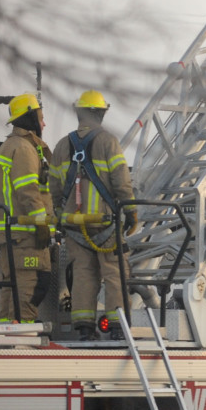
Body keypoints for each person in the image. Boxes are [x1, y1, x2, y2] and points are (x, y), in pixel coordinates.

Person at [50, 90, 138, 341]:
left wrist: (59, 214)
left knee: (83, 274)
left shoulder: (61, 145)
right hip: (104, 224)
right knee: (114, 272)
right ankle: (117, 327)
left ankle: (85, 328)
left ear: (78, 113)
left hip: (74, 226)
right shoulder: (108, 141)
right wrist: (131, 212)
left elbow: (53, 187)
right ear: (101, 113)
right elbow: (121, 183)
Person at [0, 93, 55, 322]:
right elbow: (28, 191)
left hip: (11, 234)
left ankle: (8, 334)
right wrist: (42, 224)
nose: (44, 123)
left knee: (12, 289)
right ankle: (23, 338)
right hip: (25, 233)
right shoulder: (25, 149)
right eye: (41, 117)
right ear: (30, 118)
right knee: (32, 285)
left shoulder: (10, 146)